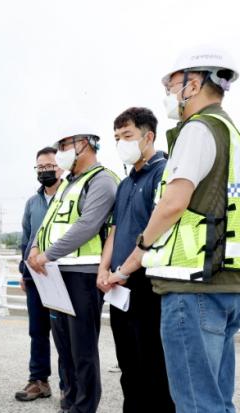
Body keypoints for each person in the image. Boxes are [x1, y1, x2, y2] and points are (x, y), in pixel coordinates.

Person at [110, 46, 240, 412]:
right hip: (226, 283)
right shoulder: (231, 132)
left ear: (192, 85)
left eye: (171, 88)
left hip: (192, 286)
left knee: (196, 403)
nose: (169, 96)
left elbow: (172, 204)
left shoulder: (196, 130)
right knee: (218, 400)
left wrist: (138, 251)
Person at [28, 127, 118, 413]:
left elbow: (88, 225)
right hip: (56, 273)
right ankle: (69, 401)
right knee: (64, 346)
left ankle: (84, 406)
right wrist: (35, 248)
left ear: (86, 144)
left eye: (66, 145)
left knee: (82, 348)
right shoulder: (68, 182)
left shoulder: (102, 180)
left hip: (82, 275)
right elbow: (48, 221)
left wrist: (47, 255)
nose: (62, 152)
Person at [97, 107, 174, 412]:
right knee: (127, 361)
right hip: (119, 282)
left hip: (147, 281)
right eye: (116, 137)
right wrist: (104, 268)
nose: (121, 143)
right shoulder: (125, 183)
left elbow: (158, 229)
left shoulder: (163, 173)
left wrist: (125, 270)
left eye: (127, 135)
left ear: (148, 136)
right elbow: (115, 230)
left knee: (153, 362)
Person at [14, 146, 63, 402]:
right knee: (37, 331)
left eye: (50, 166)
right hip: (34, 275)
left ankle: (69, 384)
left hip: (62, 274)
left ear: (61, 167)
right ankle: (39, 380)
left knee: (64, 333)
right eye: (40, 167)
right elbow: (26, 239)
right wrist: (24, 271)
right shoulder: (32, 203)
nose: (45, 171)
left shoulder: (69, 196)